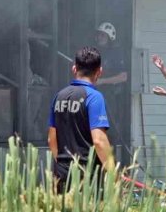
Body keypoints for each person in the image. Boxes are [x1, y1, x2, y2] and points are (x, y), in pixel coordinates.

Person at [48, 46, 113, 192]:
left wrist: (63, 165)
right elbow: (99, 141)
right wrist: (113, 174)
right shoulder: (94, 97)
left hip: (61, 174)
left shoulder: (58, 96)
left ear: (74, 68)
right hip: (87, 175)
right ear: (99, 72)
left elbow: (51, 140)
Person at [94, 22, 128, 153]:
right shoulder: (95, 53)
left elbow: (123, 76)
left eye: (103, 35)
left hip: (110, 99)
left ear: (110, 37)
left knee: (109, 132)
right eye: (99, 35)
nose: (99, 38)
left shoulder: (116, 53)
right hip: (95, 97)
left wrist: (102, 81)